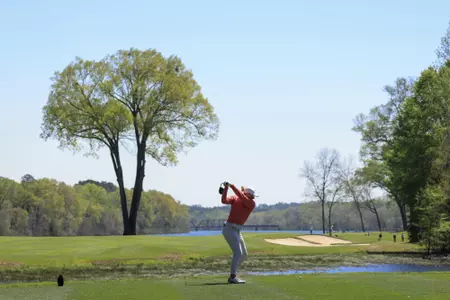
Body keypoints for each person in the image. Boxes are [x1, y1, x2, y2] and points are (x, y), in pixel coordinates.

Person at [220, 181, 258, 284]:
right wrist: (226, 189)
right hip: (229, 228)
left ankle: (233, 272)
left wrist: (231, 185)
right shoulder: (236, 198)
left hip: (237, 230)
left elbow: (241, 196)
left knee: (244, 255)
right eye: (252, 195)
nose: (253, 197)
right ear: (248, 193)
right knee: (238, 253)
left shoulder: (251, 203)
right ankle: (232, 277)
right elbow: (224, 200)